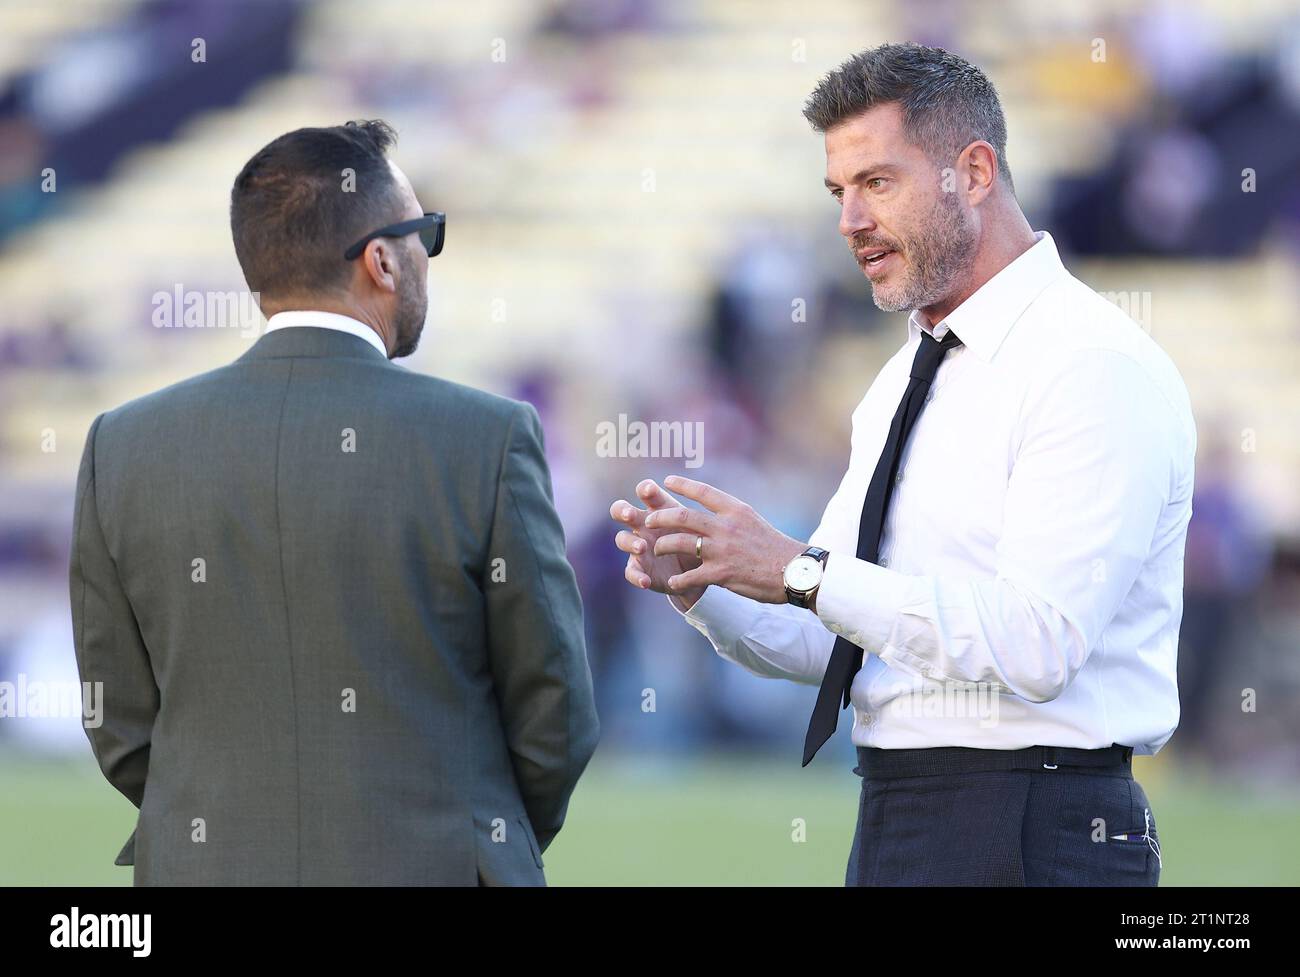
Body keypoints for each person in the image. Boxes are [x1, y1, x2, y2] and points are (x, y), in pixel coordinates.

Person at [611, 44, 1194, 886]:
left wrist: (802, 569)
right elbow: (839, 640)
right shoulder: (903, 373)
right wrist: (707, 588)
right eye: (837, 192)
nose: (848, 219)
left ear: (975, 171)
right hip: (898, 810)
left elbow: (1038, 643)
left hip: (1040, 818)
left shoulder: (1092, 362)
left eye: (877, 183)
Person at [70, 120, 598, 885]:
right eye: (425, 234)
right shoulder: (486, 438)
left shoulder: (123, 444)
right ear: (380, 259)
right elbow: (556, 709)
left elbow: (114, 717)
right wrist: (478, 833)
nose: (427, 257)